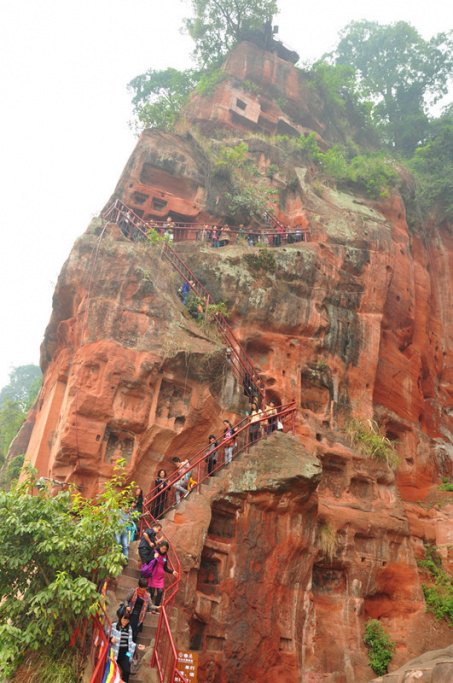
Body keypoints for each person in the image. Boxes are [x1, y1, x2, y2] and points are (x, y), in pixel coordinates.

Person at [110, 611, 144, 682]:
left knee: (127, 671)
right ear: (120, 618)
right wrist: (111, 639)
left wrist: (137, 645)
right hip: (114, 653)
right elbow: (107, 634)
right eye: (124, 619)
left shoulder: (129, 628)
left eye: (127, 620)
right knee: (112, 673)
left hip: (125, 653)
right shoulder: (114, 626)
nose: (125, 622)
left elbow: (130, 642)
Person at [146, 541, 178, 612]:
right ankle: (149, 608)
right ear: (160, 547)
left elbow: (165, 567)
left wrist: (172, 572)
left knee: (160, 591)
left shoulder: (165, 556)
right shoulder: (154, 552)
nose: (163, 550)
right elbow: (147, 561)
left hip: (160, 577)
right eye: (162, 548)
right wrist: (154, 557)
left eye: (165, 549)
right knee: (151, 592)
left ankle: (156, 607)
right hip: (153, 575)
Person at [125, 577, 151, 642]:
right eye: (142, 588)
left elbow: (151, 605)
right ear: (139, 586)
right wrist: (127, 606)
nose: (143, 590)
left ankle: (132, 649)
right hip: (131, 614)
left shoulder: (147, 595)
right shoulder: (133, 591)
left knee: (135, 633)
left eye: (145, 588)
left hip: (140, 616)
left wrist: (157, 607)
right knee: (129, 631)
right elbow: (126, 600)